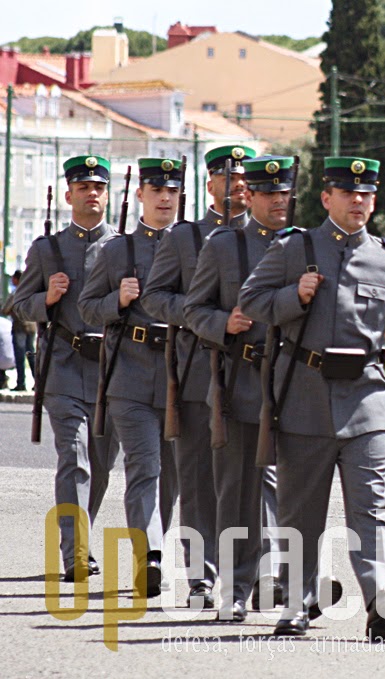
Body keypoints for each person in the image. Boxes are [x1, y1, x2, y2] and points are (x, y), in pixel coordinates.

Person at [239, 156, 385, 640]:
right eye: (348, 193)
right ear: (327, 199)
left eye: (366, 194)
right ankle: (298, 602)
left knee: (371, 505)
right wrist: (294, 298)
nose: (358, 201)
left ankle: (383, 598)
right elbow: (251, 303)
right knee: (301, 510)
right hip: (303, 396)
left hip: (366, 398)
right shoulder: (294, 248)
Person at [140, 144, 255, 609]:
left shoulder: (274, 238)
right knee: (198, 480)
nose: (240, 187)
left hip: (252, 375)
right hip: (195, 372)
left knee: (255, 480)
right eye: (230, 179)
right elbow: (154, 297)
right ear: (210, 185)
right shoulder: (185, 238)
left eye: (246, 179)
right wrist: (200, 317)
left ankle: (255, 572)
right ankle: (201, 577)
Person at [183, 155, 296, 623]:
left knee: (286, 487)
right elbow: (193, 309)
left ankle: (280, 578)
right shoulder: (225, 245)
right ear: (248, 196)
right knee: (236, 492)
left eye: (284, 194)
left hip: (291, 383)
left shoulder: (304, 246)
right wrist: (223, 323)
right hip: (238, 381)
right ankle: (234, 585)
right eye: (268, 194)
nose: (278, 203)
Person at [11, 155, 121, 582]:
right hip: (63, 367)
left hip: (113, 371)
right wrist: (47, 299)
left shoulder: (122, 247)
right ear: (69, 194)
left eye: (98, 187)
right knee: (74, 459)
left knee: (101, 462)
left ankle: (83, 537)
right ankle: (75, 552)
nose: (91, 193)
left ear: (107, 194)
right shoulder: (47, 248)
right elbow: (19, 304)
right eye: (83, 187)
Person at [79, 157, 184, 596]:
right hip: (131, 373)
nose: (164, 198)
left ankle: (154, 545)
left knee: (172, 475)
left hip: (180, 374)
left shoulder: (194, 246)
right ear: (140, 194)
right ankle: (150, 556)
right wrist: (116, 303)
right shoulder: (116, 250)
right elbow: (87, 307)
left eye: (172, 191)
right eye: (156, 190)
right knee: (145, 466)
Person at [6, 270, 36, 391]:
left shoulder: (17, 292)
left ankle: (21, 383)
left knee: (20, 357)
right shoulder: (32, 290)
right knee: (31, 356)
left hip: (20, 327)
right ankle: (37, 383)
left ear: (17, 279)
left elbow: (5, 309)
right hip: (32, 326)